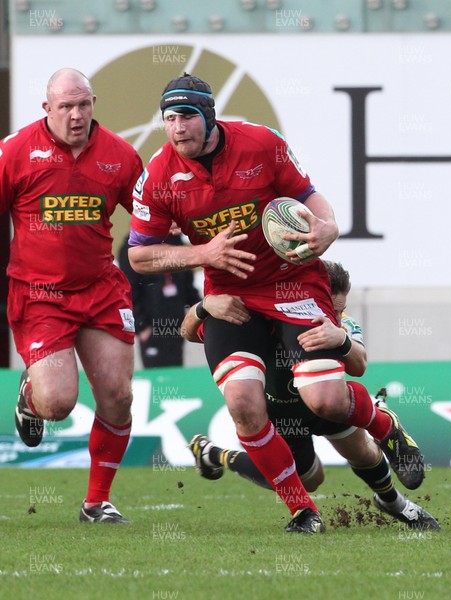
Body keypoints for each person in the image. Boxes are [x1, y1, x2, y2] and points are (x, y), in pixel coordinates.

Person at [127, 73, 424, 534]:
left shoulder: (262, 143)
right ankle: (303, 512)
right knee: (243, 403)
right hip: (233, 297)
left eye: (186, 116)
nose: (177, 127)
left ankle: (386, 427)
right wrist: (201, 256)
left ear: (208, 115)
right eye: (168, 118)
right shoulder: (159, 176)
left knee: (326, 398)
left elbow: (308, 195)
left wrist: (328, 225)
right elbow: (139, 254)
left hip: (293, 283)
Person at [182, 262, 439, 531]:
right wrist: (204, 306)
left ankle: (394, 502)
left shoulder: (338, 322)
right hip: (280, 412)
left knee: (362, 451)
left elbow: (359, 365)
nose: (337, 315)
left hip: (328, 403)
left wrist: (341, 338)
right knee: (308, 479)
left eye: (340, 309)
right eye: (333, 308)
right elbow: (189, 332)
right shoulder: (252, 321)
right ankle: (216, 455)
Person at [0, 68, 144, 524]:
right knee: (58, 403)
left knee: (118, 396)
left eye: (83, 105)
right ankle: (30, 395)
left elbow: (150, 215)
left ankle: (97, 501)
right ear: (47, 109)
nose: (76, 115)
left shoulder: (120, 156)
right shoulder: (15, 151)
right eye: (66, 107)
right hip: (40, 294)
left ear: (94, 103)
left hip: (101, 289)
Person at [118, 232, 202, 368]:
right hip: (151, 325)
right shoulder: (132, 247)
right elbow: (129, 290)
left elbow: (187, 284)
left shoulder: (176, 242)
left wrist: (201, 310)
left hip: (177, 322)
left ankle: (175, 390)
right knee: (159, 377)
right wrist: (141, 326)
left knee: (176, 372)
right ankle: (162, 391)